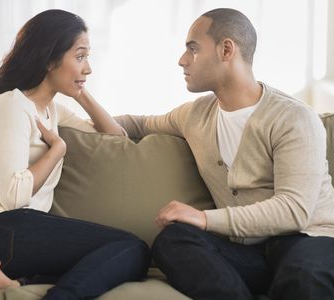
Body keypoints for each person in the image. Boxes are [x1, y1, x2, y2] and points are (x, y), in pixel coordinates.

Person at [115, 7, 334, 300]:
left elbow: (294, 210)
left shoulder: (293, 118)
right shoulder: (194, 114)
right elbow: (136, 124)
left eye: (192, 49)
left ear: (226, 49)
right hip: (249, 253)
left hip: (308, 240)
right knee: (173, 240)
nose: (182, 60)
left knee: (303, 276)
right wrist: (66, 111)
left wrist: (204, 218)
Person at [0, 9, 150, 300]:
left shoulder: (51, 110)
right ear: (50, 59)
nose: (88, 68)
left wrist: (80, 91)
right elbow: (14, 197)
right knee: (131, 247)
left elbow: (115, 139)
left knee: (130, 254)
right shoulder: (12, 105)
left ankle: (15, 282)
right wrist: (57, 150)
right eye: (80, 57)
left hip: (8, 246)